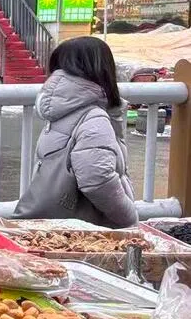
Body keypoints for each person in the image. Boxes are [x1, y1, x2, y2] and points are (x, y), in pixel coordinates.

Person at [14, 37, 137, 227]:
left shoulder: (63, 111)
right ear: (102, 69)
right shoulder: (93, 117)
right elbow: (97, 180)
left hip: (57, 224)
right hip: (89, 230)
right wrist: (129, 218)